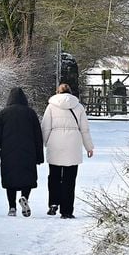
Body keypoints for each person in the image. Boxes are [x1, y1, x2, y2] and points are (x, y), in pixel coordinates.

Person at [41, 83, 94, 219]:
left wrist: (44, 143)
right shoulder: (79, 107)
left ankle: (53, 203)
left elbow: (46, 127)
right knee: (70, 179)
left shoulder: (51, 106)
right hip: (73, 144)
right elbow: (84, 129)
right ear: (71, 93)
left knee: (54, 176)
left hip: (55, 143)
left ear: (58, 92)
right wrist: (89, 147)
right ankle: (67, 211)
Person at [0, 87, 44, 217]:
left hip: (8, 153)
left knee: (10, 180)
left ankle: (12, 207)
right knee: (27, 178)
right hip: (28, 152)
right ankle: (24, 197)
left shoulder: (3, 114)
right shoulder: (30, 113)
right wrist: (39, 156)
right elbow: (38, 136)